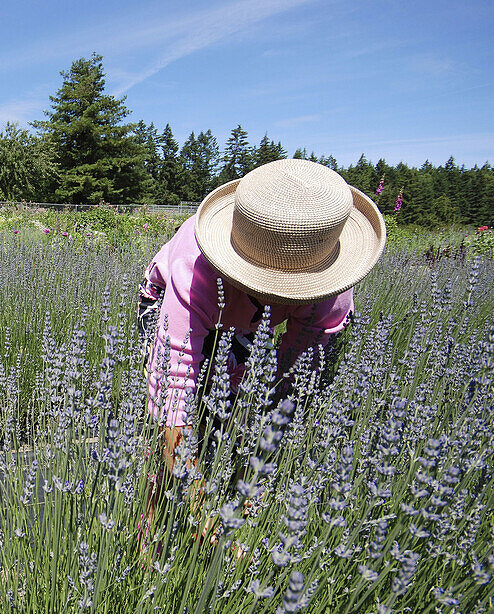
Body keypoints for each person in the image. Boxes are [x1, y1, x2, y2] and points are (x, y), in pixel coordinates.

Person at [137, 158, 386, 547]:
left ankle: (225, 505)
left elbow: (290, 383)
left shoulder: (330, 295)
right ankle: (149, 533)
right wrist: (202, 511)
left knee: (229, 416)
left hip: (248, 320)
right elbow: (173, 394)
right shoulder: (195, 267)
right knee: (170, 427)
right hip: (173, 302)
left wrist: (251, 482)